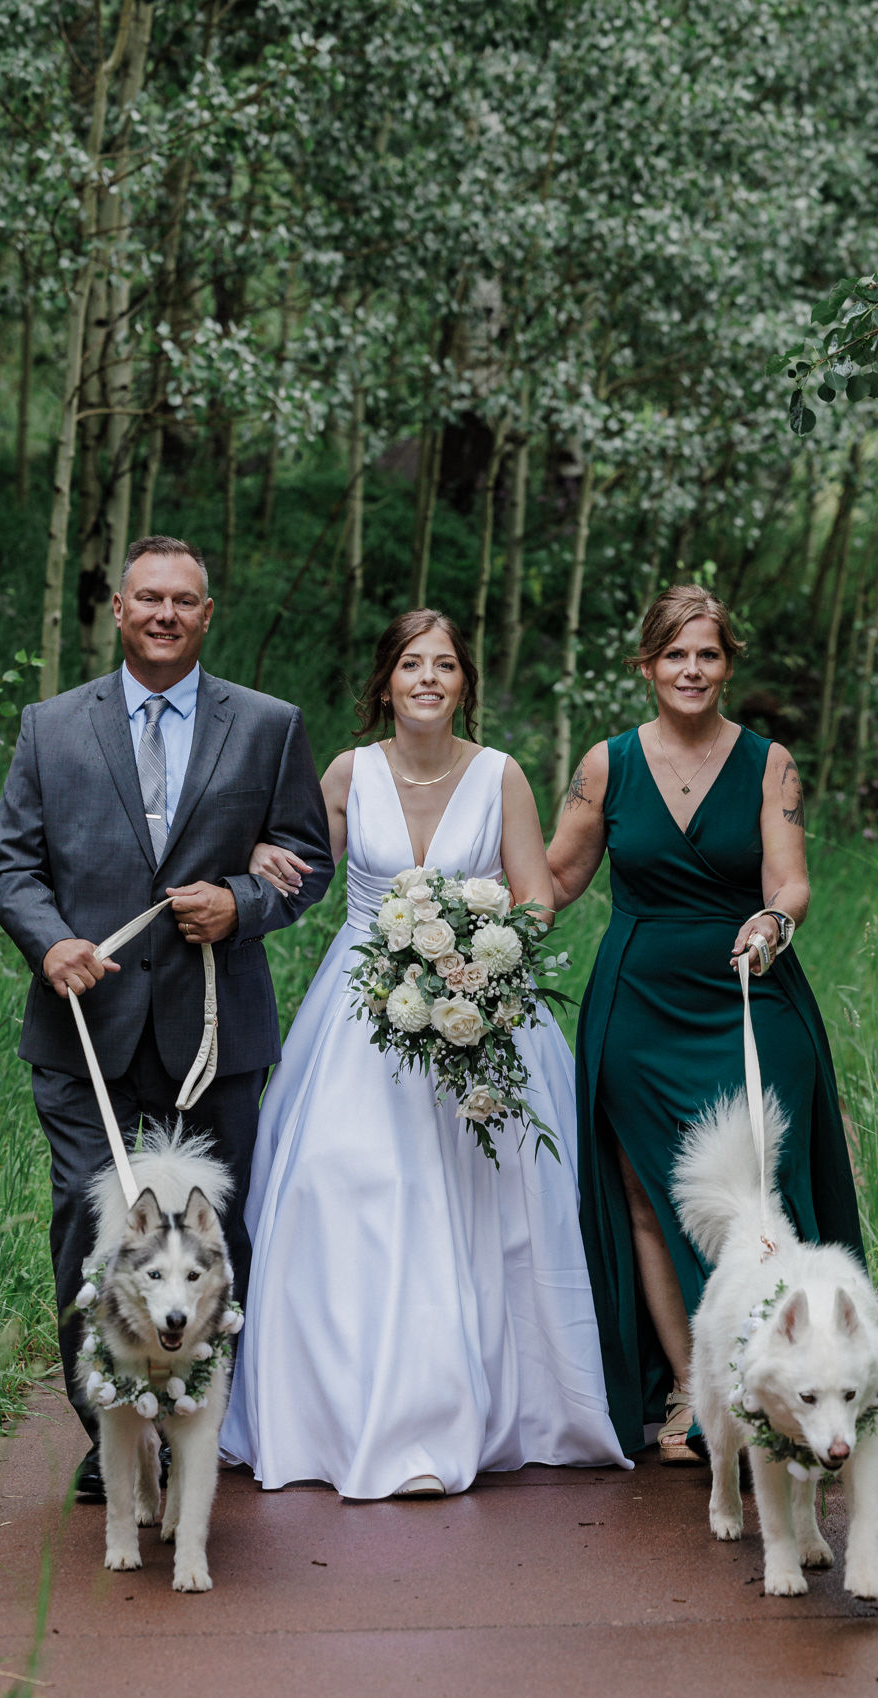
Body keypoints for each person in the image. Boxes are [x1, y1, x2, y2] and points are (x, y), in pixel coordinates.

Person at [220, 609, 630, 1498]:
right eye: (413, 664)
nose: (429, 678)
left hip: (477, 1008)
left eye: (445, 665)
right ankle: (342, 1409)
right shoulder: (344, 773)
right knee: (341, 1183)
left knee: (484, 1206)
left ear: (463, 684)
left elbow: (536, 899)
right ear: (385, 683)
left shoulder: (501, 776)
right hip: (359, 1013)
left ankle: (473, 1408)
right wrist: (258, 850)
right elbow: (298, 869)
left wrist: (477, 952)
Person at [0, 535, 334, 1501]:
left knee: (214, 1234)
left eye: (184, 600)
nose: (165, 614)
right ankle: (109, 1430)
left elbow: (307, 859)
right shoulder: (51, 727)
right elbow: (10, 867)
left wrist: (241, 904)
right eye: (148, 599)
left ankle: (199, 1417)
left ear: (206, 615)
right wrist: (50, 941)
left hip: (213, 1031)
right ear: (117, 607)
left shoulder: (267, 726)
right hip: (82, 1031)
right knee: (89, 1226)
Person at [545, 583, 864, 1464]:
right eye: (676, 654)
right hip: (638, 1003)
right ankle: (695, 1394)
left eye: (709, 654)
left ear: (728, 665)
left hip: (748, 990)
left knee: (765, 1189)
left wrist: (773, 923)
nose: (693, 670)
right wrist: (469, 926)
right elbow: (557, 880)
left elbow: (789, 880)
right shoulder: (607, 764)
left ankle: (798, 1372)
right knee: (648, 1195)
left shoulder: (770, 764)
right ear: (646, 665)